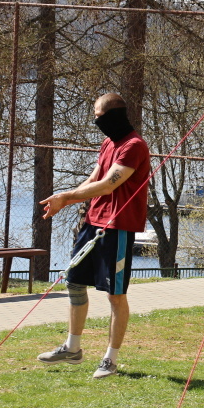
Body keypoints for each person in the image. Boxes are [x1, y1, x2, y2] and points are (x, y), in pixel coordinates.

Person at [37, 93, 152, 378]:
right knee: (74, 283)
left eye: (98, 116)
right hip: (93, 223)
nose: (96, 121)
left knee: (115, 295)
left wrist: (66, 196)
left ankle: (110, 360)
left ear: (113, 115)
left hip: (118, 228)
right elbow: (93, 179)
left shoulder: (134, 146)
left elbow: (108, 186)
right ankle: (72, 348)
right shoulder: (108, 143)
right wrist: (64, 200)